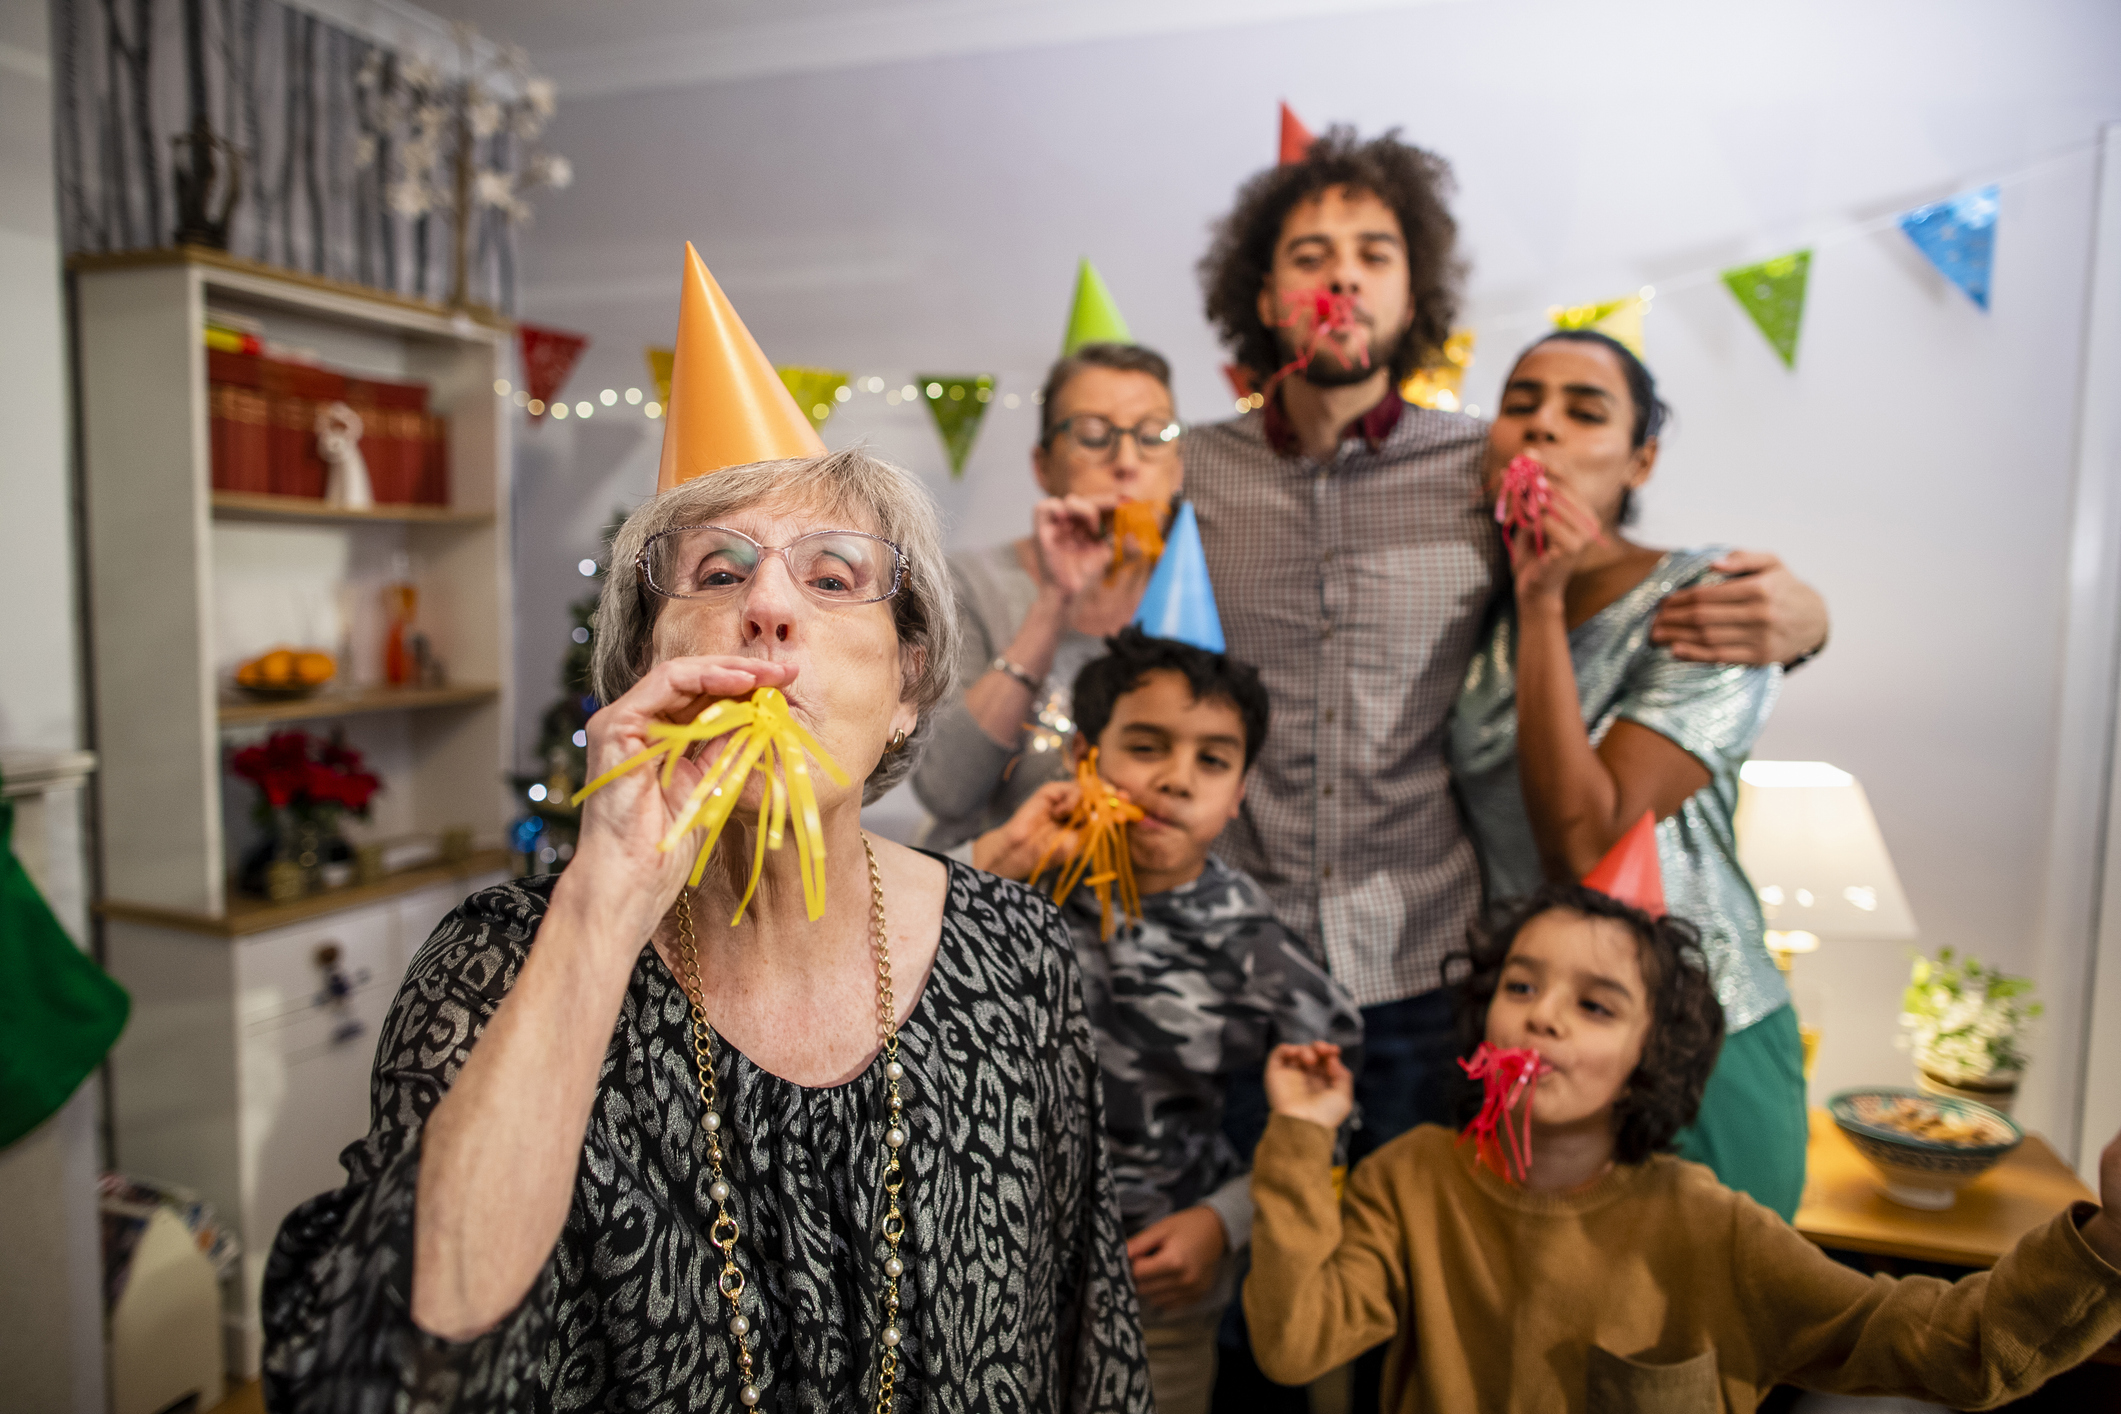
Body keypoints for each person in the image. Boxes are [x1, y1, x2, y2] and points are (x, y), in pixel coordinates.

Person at [260, 246, 1151, 1413]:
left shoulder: (1014, 953)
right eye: (718, 570)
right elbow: (388, 1374)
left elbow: (1087, 1345)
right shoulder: (501, 963)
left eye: (834, 578)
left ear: (909, 681)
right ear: (643, 667)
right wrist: (603, 898)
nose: (769, 604)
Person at [1187, 124, 1831, 1161]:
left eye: (1374, 254)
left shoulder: (1487, 465)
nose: (1342, 277)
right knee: (1248, 1295)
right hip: (1239, 959)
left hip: (1428, 969)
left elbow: (1618, 570)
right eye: (1310, 255)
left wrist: (1802, 622)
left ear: (1415, 297)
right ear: (1264, 297)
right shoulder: (1189, 473)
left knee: (1423, 1294)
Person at [1245, 882, 2121, 1410]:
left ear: (1647, 1057)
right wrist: (1299, 1133)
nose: (1541, 1014)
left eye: (1595, 1005)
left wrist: (2104, 1246)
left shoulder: (1711, 1228)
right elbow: (1293, 1342)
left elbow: (1954, 1352)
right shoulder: (1411, 1179)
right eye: (1521, 985)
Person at [1448, 328, 1807, 1218]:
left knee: (1701, 1339)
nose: (1542, 429)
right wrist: (1525, 597)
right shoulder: (1469, 609)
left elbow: (1588, 846)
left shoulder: (1710, 601)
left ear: (1639, 460)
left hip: (1696, 1033)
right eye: (1520, 403)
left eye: (1584, 410)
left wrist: (1541, 601)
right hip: (1533, 1041)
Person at [972, 626, 1362, 1414]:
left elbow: (1327, 1126)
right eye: (1146, 746)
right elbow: (887, 949)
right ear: (1087, 754)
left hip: (1153, 1296)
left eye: (1211, 761)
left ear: (1240, 791)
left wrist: (1222, 1224)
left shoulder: (1258, 947)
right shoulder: (1017, 880)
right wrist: (997, 859)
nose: (1176, 780)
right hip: (984, 1271)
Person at [914, 341, 1186, 852]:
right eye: (1092, 435)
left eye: (1153, 436)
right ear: (1044, 467)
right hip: (1004, 901)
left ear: (1178, 466)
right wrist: (1055, 604)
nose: (1126, 462)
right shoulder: (970, 582)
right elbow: (946, 792)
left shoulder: (1203, 589)